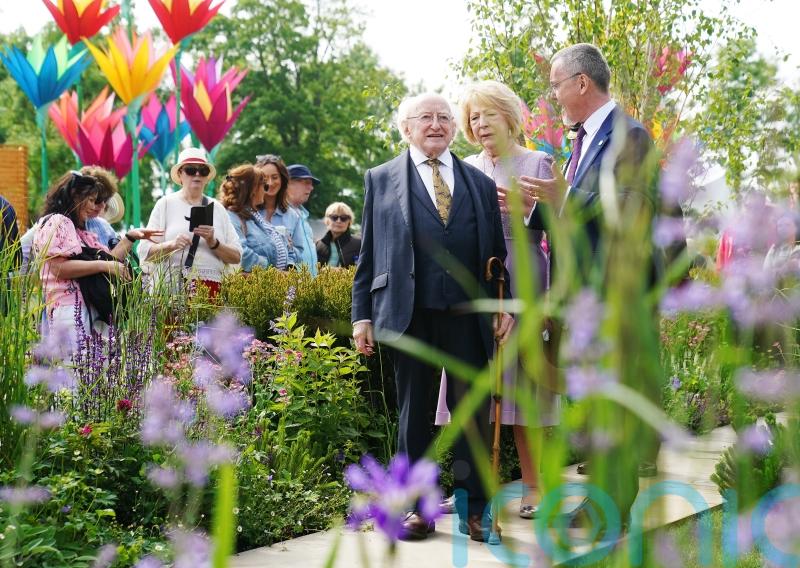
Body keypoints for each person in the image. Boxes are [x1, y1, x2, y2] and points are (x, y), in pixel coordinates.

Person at [352, 92, 514, 543]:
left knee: (472, 416)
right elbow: (369, 256)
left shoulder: (478, 183)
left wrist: (504, 305)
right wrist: (360, 315)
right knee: (414, 415)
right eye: (426, 117)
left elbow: (497, 258)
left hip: (468, 315)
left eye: (444, 117)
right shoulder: (380, 179)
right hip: (410, 314)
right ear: (406, 128)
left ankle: (475, 511)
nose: (437, 124)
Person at [517, 43, 659, 528]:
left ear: (581, 82)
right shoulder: (581, 141)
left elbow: (633, 208)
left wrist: (568, 196)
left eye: (556, 84)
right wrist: (533, 211)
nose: (554, 95)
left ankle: (612, 510)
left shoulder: (631, 135)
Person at [433, 80, 561, 520]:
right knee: (471, 393)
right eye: (472, 117)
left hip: (524, 284)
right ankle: (469, 491)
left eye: (488, 114)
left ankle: (534, 487)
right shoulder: (462, 168)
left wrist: (528, 208)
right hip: (477, 288)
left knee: (523, 393)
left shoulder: (538, 163)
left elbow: (563, 231)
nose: (480, 123)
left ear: (509, 116)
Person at [32, 170, 161, 349]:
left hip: (83, 306)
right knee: (76, 368)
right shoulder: (58, 222)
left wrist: (129, 239)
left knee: (88, 370)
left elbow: (108, 261)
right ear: (75, 196)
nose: (95, 207)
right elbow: (58, 268)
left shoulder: (74, 227)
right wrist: (103, 265)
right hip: (69, 308)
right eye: (91, 200)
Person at [139, 148, 242, 298]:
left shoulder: (217, 208)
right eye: (190, 170)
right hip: (172, 290)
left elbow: (237, 256)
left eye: (203, 171)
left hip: (211, 291)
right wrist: (172, 245)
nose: (197, 174)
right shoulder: (165, 204)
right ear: (180, 174)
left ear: (207, 177)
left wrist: (214, 243)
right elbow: (145, 252)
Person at [220, 164, 292, 271]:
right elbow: (241, 253)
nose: (265, 190)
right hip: (255, 284)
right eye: (264, 186)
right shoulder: (232, 217)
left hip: (273, 284)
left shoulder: (255, 216)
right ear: (253, 188)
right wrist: (272, 272)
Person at [254, 154, 302, 265]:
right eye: (264, 178)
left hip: (283, 278)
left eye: (275, 177)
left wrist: (288, 248)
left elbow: (299, 253)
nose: (270, 183)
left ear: (282, 179)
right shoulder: (248, 212)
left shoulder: (292, 216)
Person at [286, 163, 320, 275]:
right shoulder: (278, 216)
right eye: (306, 183)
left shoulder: (304, 216)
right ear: (287, 183)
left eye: (310, 184)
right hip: (290, 289)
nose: (311, 187)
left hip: (308, 288)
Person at [316, 202, 361, 268]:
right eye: (334, 217)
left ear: (349, 221)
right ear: (327, 220)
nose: (338, 221)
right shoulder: (318, 244)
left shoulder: (360, 244)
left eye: (344, 218)